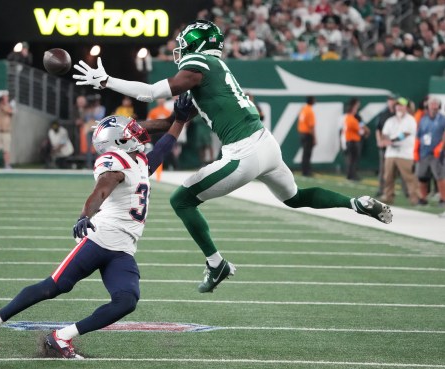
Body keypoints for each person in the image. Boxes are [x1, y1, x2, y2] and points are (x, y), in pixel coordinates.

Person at [72, 19, 393, 294]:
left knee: (181, 200)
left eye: (184, 45)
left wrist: (107, 81)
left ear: (196, 46)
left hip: (245, 151)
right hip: (265, 143)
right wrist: (134, 128)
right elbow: (170, 122)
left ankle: (216, 263)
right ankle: (357, 203)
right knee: (294, 197)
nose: (179, 51)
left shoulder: (200, 67)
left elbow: (152, 92)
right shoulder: (213, 74)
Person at [0, 94, 193, 359]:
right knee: (54, 286)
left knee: (126, 301)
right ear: (120, 141)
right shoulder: (115, 162)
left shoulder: (139, 161)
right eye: (129, 132)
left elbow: (165, 143)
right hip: (99, 238)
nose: (138, 132)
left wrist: (179, 120)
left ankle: (61, 337)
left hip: (123, 248)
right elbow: (101, 191)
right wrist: (84, 215)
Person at [380, 97, 419, 205]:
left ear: (406, 107)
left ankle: (415, 198)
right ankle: (388, 197)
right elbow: (384, 133)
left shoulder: (410, 120)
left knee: (409, 177)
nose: (399, 107)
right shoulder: (390, 120)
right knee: (388, 176)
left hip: (405, 153)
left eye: (401, 105)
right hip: (391, 153)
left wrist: (391, 141)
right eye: (397, 105)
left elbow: (406, 133)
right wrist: (385, 140)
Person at [415, 97, 445, 206]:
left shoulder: (442, 119)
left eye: (435, 104)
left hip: (437, 153)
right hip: (424, 152)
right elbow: (419, 136)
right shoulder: (423, 119)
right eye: (431, 104)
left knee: (440, 176)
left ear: (439, 106)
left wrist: (441, 146)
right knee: (421, 176)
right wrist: (416, 150)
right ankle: (423, 198)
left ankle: (443, 198)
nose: (433, 106)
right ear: (427, 106)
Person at [375, 94, 397, 196]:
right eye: (390, 100)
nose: (391, 102)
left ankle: (408, 192)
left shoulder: (399, 114)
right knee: (383, 170)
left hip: (398, 146)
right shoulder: (383, 114)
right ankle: (381, 189)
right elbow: (378, 129)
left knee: (402, 170)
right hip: (385, 146)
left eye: (393, 100)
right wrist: (379, 141)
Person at [298, 96, 316, 177]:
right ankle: (307, 171)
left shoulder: (303, 109)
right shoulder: (310, 111)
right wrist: (315, 138)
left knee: (305, 153)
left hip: (302, 133)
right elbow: (311, 126)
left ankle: (304, 170)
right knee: (308, 153)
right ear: (312, 101)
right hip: (308, 134)